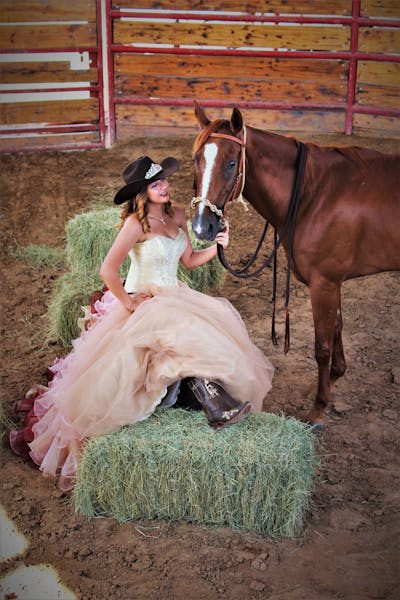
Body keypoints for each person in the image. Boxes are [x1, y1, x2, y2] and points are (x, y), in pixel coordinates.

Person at [10, 155, 274, 491]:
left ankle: (214, 399)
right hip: (143, 297)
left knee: (201, 329)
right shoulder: (136, 225)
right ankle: (211, 401)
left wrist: (218, 246)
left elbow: (190, 262)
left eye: (164, 181)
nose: (164, 187)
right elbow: (107, 270)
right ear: (142, 192)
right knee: (168, 334)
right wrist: (129, 303)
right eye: (155, 184)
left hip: (174, 293)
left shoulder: (178, 215)